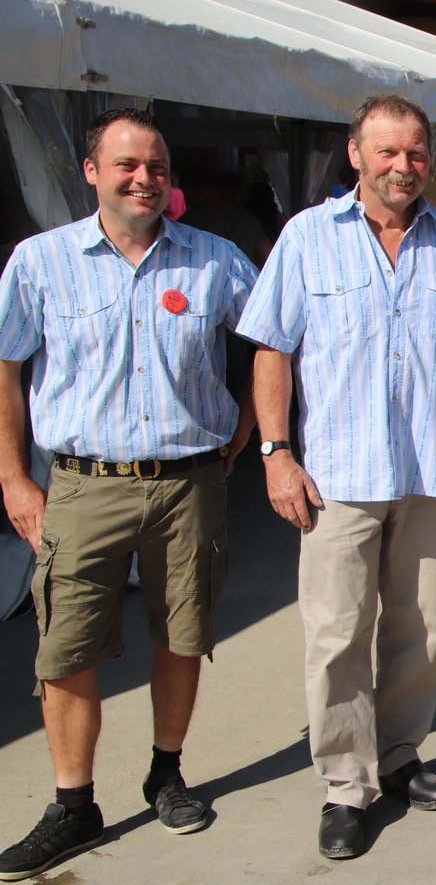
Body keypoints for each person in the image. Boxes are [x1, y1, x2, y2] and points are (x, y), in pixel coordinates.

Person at [0, 109, 259, 881]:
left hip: (189, 483)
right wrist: (13, 476)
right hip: (83, 485)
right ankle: (73, 803)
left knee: (183, 634)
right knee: (66, 647)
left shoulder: (215, 262)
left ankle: (166, 774)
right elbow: (6, 370)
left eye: (157, 166)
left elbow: (275, 344)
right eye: (127, 165)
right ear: (91, 173)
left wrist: (249, 438)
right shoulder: (39, 263)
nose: (145, 178)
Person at [237, 95, 436, 858]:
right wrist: (276, 452)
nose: (403, 167)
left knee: (418, 625)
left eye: (416, 154)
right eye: (387, 153)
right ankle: (347, 784)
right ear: (356, 155)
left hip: (424, 469)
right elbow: (273, 350)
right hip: (338, 477)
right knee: (338, 631)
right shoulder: (308, 238)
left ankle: (403, 755)